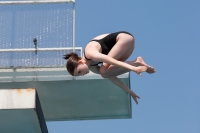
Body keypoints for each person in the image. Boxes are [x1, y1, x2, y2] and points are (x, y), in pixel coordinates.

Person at [63, 31, 155, 104]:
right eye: (79, 75)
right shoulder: (92, 66)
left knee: (104, 70)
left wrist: (133, 69)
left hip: (124, 39)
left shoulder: (90, 53)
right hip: (127, 46)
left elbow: (112, 61)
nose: (82, 74)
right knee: (105, 73)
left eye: (79, 72)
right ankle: (136, 63)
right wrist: (129, 91)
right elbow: (111, 76)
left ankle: (136, 63)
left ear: (80, 62)